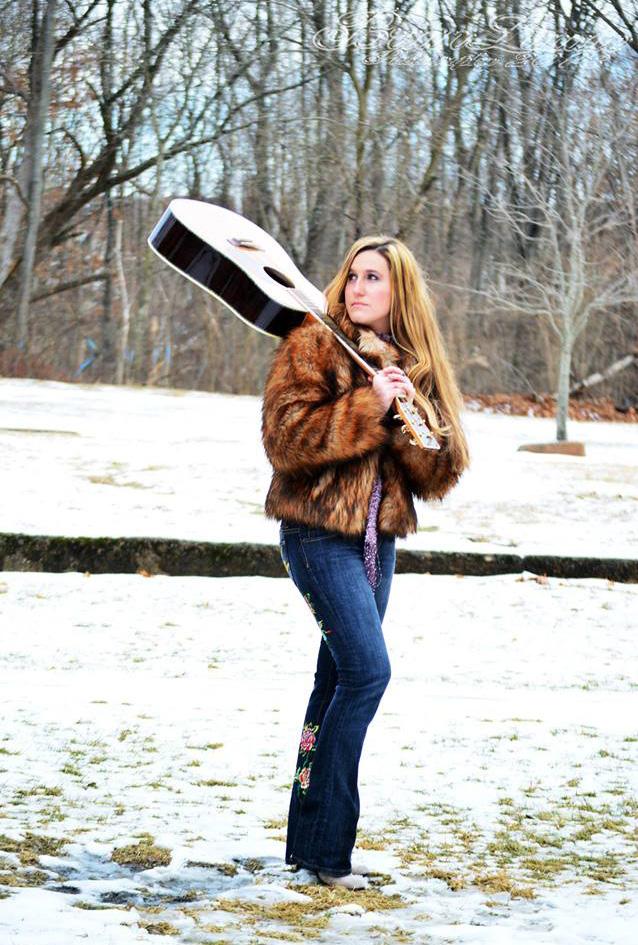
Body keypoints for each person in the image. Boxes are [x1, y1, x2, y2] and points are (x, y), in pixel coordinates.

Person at [261, 235, 470, 890]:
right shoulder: (313, 341)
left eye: (374, 277)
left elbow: (440, 473)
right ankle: (330, 852)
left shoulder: (415, 362)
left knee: (334, 684)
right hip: (317, 534)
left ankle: (309, 846)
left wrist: (408, 418)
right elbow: (283, 439)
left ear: (398, 290)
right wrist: (365, 406)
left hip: (378, 542)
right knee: (367, 672)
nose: (358, 288)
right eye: (353, 275)